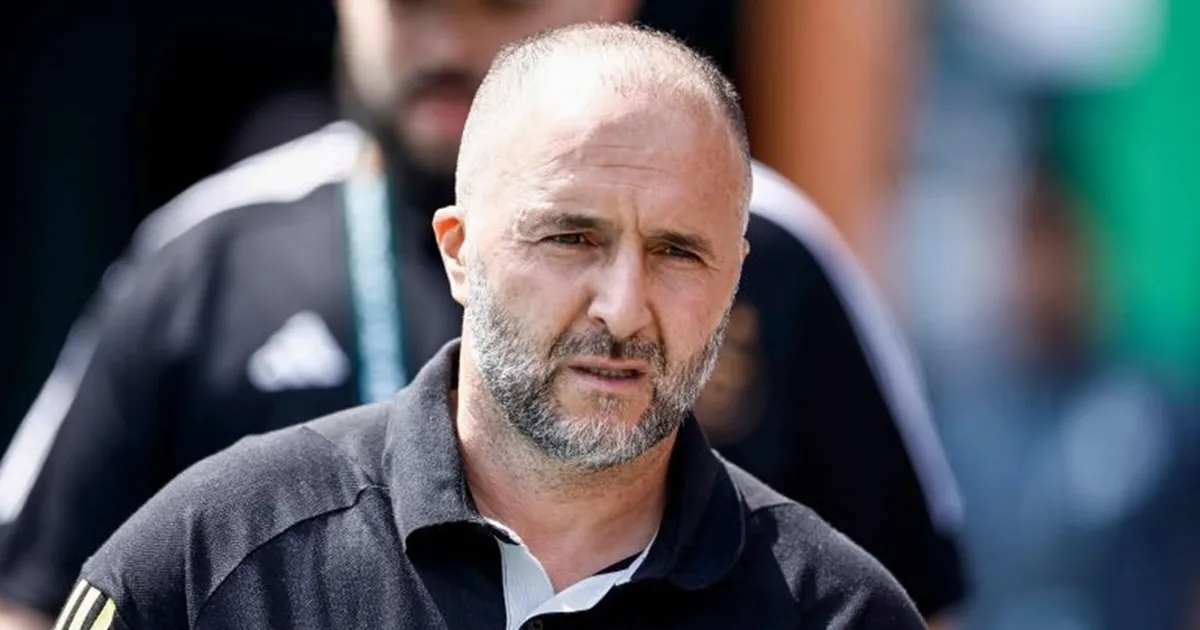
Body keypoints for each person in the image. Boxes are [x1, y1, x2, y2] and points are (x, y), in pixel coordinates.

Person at [0, 0, 963, 627]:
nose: (450, 46)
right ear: (461, 248)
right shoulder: (207, 259)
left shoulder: (785, 246)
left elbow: (911, 588)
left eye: (676, 252)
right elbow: (32, 588)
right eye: (413, 7)